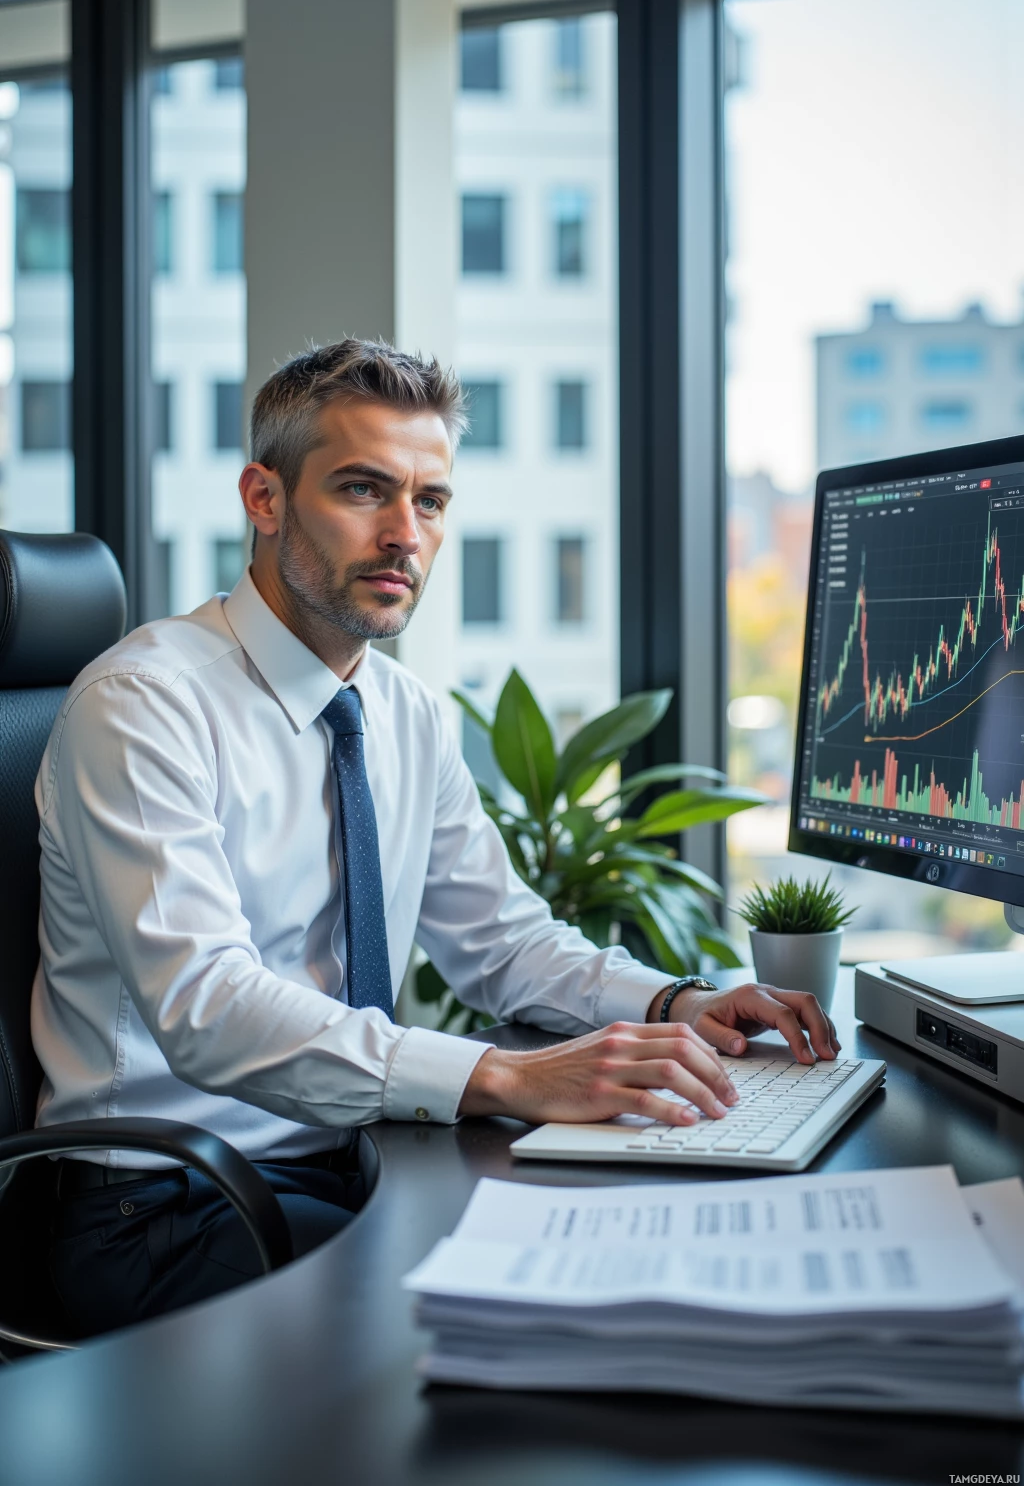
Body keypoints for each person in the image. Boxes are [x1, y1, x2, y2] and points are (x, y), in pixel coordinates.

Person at [33, 338, 838, 1334]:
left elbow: (502, 941)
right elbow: (208, 1006)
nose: (403, 535)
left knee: (621, 1249)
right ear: (265, 499)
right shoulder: (144, 704)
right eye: (363, 490)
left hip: (339, 1156)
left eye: (431, 501)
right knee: (533, 1315)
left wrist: (678, 1000)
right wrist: (503, 1075)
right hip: (154, 1206)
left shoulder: (401, 711)